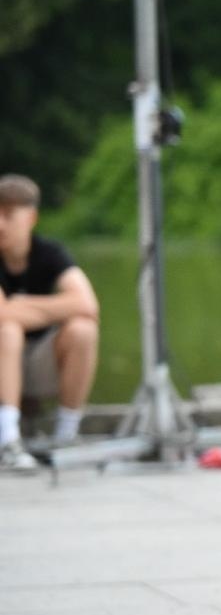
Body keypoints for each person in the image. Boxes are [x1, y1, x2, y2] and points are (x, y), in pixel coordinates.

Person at [0, 174, 99, 469]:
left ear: (30, 217)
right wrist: (55, 308)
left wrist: (22, 304)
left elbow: (87, 304)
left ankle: (66, 434)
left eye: (7, 215)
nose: (0, 225)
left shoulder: (50, 253)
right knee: (8, 330)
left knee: (83, 329)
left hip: (40, 365)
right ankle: (8, 438)